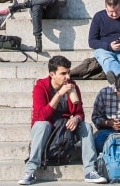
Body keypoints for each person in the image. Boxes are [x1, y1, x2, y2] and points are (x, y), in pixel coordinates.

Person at [20, 55, 106, 186]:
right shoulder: (40, 87)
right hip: (46, 128)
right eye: (63, 73)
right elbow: (42, 116)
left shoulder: (72, 86)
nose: (68, 77)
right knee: (42, 125)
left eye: (69, 72)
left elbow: (79, 113)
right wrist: (59, 94)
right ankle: (30, 171)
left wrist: (76, 119)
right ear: (52, 74)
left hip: (65, 128)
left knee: (86, 127)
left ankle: (90, 170)